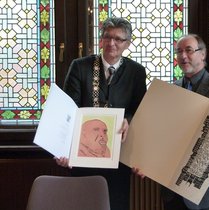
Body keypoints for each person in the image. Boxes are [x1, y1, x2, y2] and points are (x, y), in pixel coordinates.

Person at [55, 17, 147, 210]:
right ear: (101, 39)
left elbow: (139, 110)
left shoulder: (136, 71)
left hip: (119, 157)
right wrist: (62, 149)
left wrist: (128, 120)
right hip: (83, 157)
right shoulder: (80, 66)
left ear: (127, 43)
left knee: (116, 205)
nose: (112, 43)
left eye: (118, 39)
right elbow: (68, 111)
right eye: (107, 37)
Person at [160, 34, 209, 210]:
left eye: (189, 50)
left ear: (202, 55)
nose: (182, 56)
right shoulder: (170, 89)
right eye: (178, 51)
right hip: (172, 184)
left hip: (206, 187)